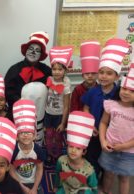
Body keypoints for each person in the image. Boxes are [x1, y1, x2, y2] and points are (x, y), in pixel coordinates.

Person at [82, 38, 129, 175]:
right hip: (94, 132)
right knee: (92, 157)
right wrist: (91, 125)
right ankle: (93, 180)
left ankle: (104, 180)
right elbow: (86, 108)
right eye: (101, 72)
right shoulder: (93, 91)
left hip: (112, 136)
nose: (104, 76)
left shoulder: (120, 94)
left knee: (108, 162)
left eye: (109, 73)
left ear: (116, 76)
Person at [98, 64, 134, 194]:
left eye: (132, 90)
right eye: (124, 88)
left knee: (124, 178)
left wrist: (124, 146)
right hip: (109, 147)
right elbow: (103, 123)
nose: (126, 92)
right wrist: (103, 141)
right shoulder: (111, 105)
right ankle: (106, 191)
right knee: (108, 174)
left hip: (129, 152)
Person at [4, 31, 52, 108]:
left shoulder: (47, 71)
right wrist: (19, 101)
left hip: (40, 112)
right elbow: (7, 91)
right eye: (31, 49)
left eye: (37, 50)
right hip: (18, 110)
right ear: (26, 50)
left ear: (41, 55)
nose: (33, 52)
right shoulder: (14, 70)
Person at [55, 111, 98, 194]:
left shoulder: (89, 170)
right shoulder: (61, 161)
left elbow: (94, 187)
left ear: (84, 151)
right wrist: (57, 186)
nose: (73, 150)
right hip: (66, 187)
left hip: (81, 190)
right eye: (71, 146)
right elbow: (58, 175)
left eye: (78, 148)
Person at [44, 46, 73, 163]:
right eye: (54, 69)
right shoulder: (49, 80)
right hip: (48, 113)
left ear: (65, 70)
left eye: (60, 69)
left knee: (58, 137)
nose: (56, 72)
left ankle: (58, 155)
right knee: (49, 136)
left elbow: (67, 105)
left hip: (59, 115)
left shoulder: (66, 85)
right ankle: (50, 154)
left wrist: (63, 122)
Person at [10, 99, 45, 194]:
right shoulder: (14, 151)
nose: (25, 135)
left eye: (29, 132)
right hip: (18, 182)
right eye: (22, 133)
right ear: (17, 136)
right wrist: (22, 186)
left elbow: (39, 168)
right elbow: (11, 170)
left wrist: (34, 188)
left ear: (34, 135)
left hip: (34, 182)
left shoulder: (38, 150)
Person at [70, 40, 100, 112]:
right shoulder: (77, 90)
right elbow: (74, 107)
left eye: (93, 73)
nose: (90, 76)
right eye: (87, 73)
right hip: (80, 119)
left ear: (97, 75)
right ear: (83, 75)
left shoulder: (100, 89)